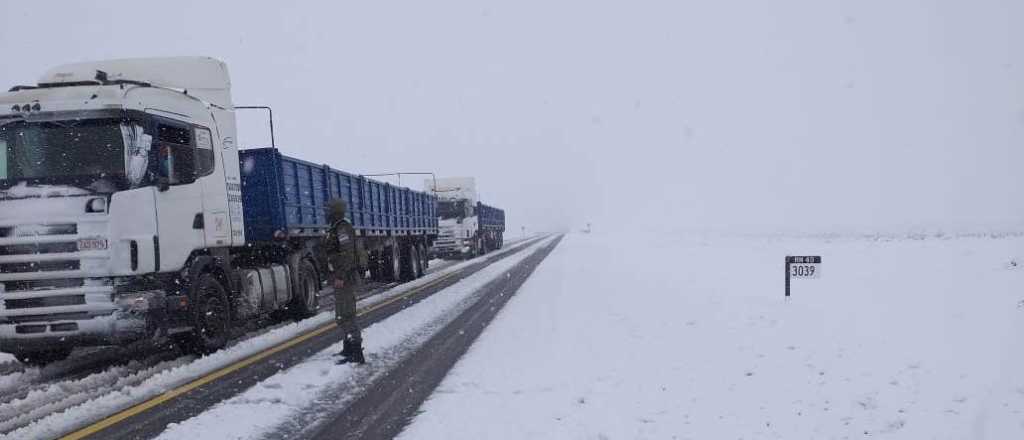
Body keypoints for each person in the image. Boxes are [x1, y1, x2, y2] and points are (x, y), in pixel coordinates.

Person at [324, 198, 366, 364]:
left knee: (346, 315)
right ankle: (349, 348)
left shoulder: (342, 228)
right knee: (342, 314)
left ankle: (356, 353)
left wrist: (341, 276)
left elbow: (347, 255)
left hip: (345, 278)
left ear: (335, 211)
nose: (325, 213)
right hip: (341, 276)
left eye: (328, 209)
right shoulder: (336, 227)